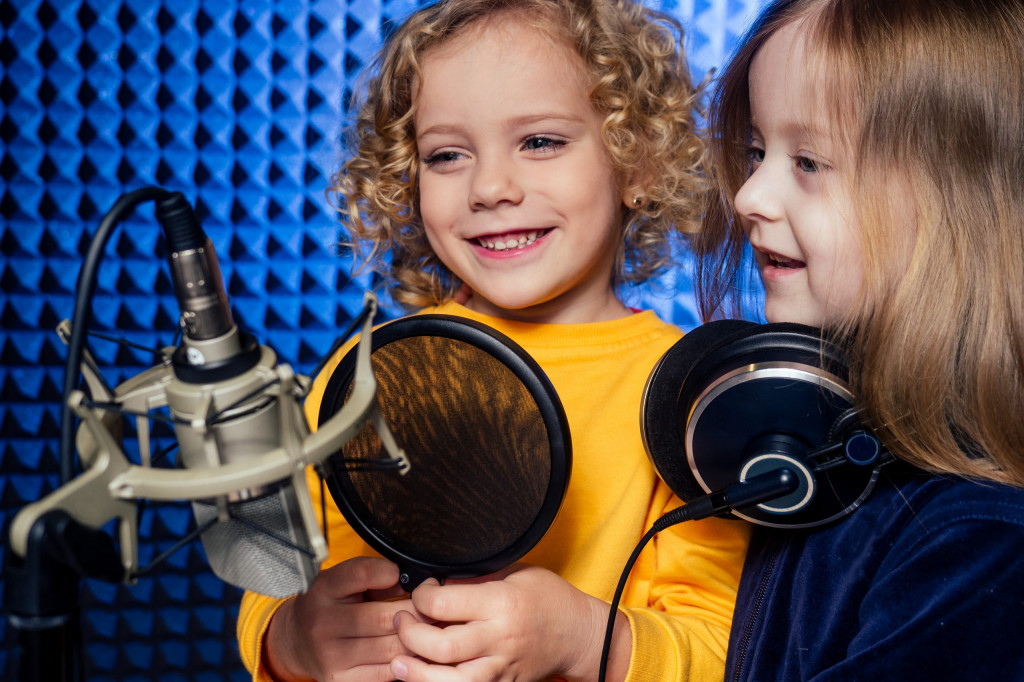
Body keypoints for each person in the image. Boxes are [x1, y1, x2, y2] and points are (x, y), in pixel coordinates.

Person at [237, 0, 752, 680]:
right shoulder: (370, 374)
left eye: (539, 141)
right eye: (447, 155)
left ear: (639, 163)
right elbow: (275, 573)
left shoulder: (690, 402)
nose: (490, 187)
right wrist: (290, 641)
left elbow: (720, 648)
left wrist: (578, 639)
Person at [693, 0, 1024, 679]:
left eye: (808, 161)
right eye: (757, 151)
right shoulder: (825, 455)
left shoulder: (977, 541)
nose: (751, 193)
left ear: (952, 205)